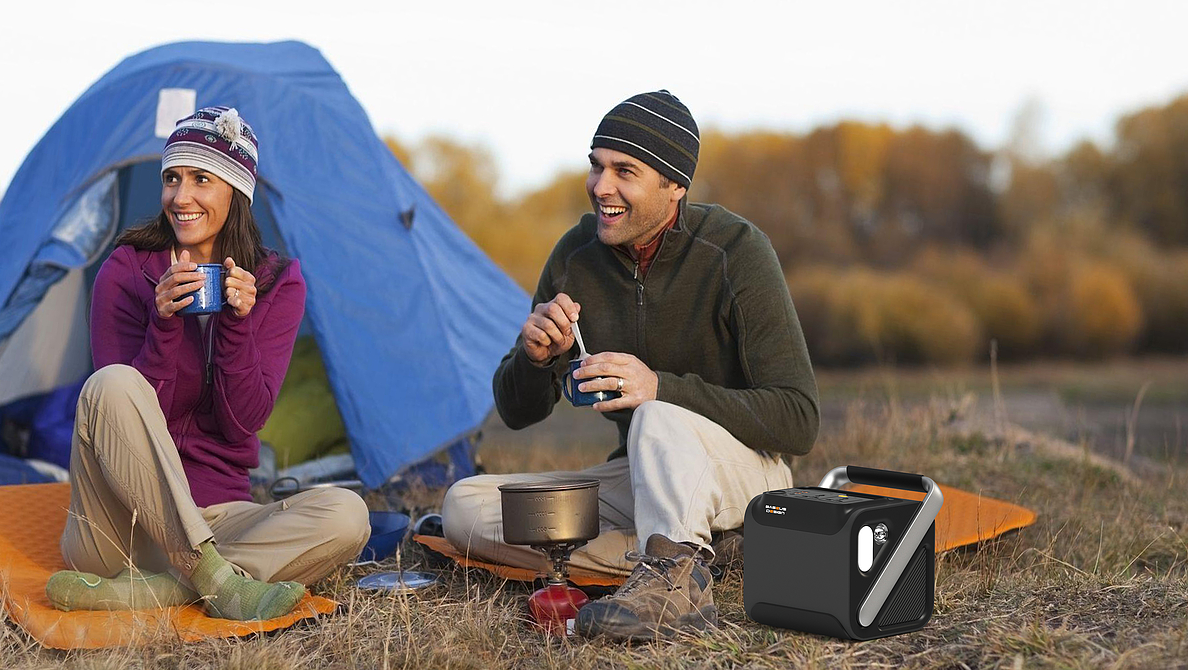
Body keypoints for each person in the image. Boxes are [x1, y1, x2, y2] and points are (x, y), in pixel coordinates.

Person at [440, 90, 819, 640]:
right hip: (642, 480)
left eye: (625, 171)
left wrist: (659, 389)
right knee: (465, 508)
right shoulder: (577, 256)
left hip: (748, 474)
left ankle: (672, 588)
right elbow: (517, 412)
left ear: (674, 188)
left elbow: (799, 419)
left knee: (656, 416)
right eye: (596, 167)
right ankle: (694, 554)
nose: (601, 187)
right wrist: (534, 359)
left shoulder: (736, 252)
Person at [46, 106, 369, 621]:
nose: (181, 196)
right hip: (118, 527)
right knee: (112, 383)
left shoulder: (276, 283)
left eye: (201, 179)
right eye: (172, 178)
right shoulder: (127, 269)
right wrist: (165, 325)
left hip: (220, 517)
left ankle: (160, 588)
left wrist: (238, 324)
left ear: (236, 192)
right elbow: (122, 415)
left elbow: (244, 422)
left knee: (348, 515)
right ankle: (218, 581)